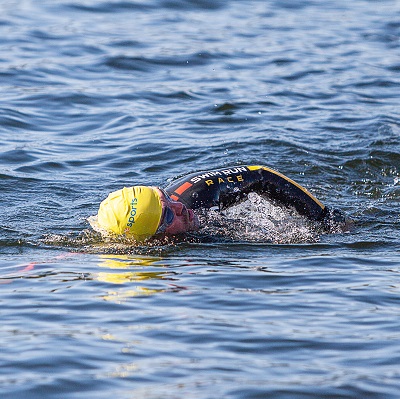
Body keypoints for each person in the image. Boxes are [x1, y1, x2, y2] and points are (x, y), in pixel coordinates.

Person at [91, 164, 346, 242]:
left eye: (165, 197)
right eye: (168, 217)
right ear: (151, 239)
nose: (181, 209)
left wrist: (327, 221)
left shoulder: (197, 195)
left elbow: (261, 174)